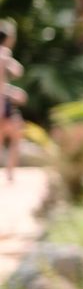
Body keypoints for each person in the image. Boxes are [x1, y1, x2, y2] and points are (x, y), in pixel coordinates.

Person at [0, 21, 26, 182]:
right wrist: (12, 92)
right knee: (16, 136)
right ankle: (10, 174)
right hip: (3, 104)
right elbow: (18, 70)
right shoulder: (4, 53)